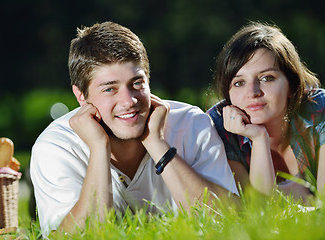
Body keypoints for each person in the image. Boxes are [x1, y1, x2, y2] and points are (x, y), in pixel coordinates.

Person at [30, 21, 238, 236]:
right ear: (81, 96)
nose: (129, 101)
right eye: (110, 88)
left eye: (137, 83)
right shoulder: (55, 147)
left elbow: (227, 221)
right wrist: (99, 149)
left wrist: (157, 144)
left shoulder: (191, 124)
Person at [207, 21, 325, 202]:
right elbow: (259, 210)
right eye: (239, 83)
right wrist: (258, 138)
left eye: (267, 78)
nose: (253, 93)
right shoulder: (218, 127)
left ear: (292, 85)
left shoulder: (318, 109)